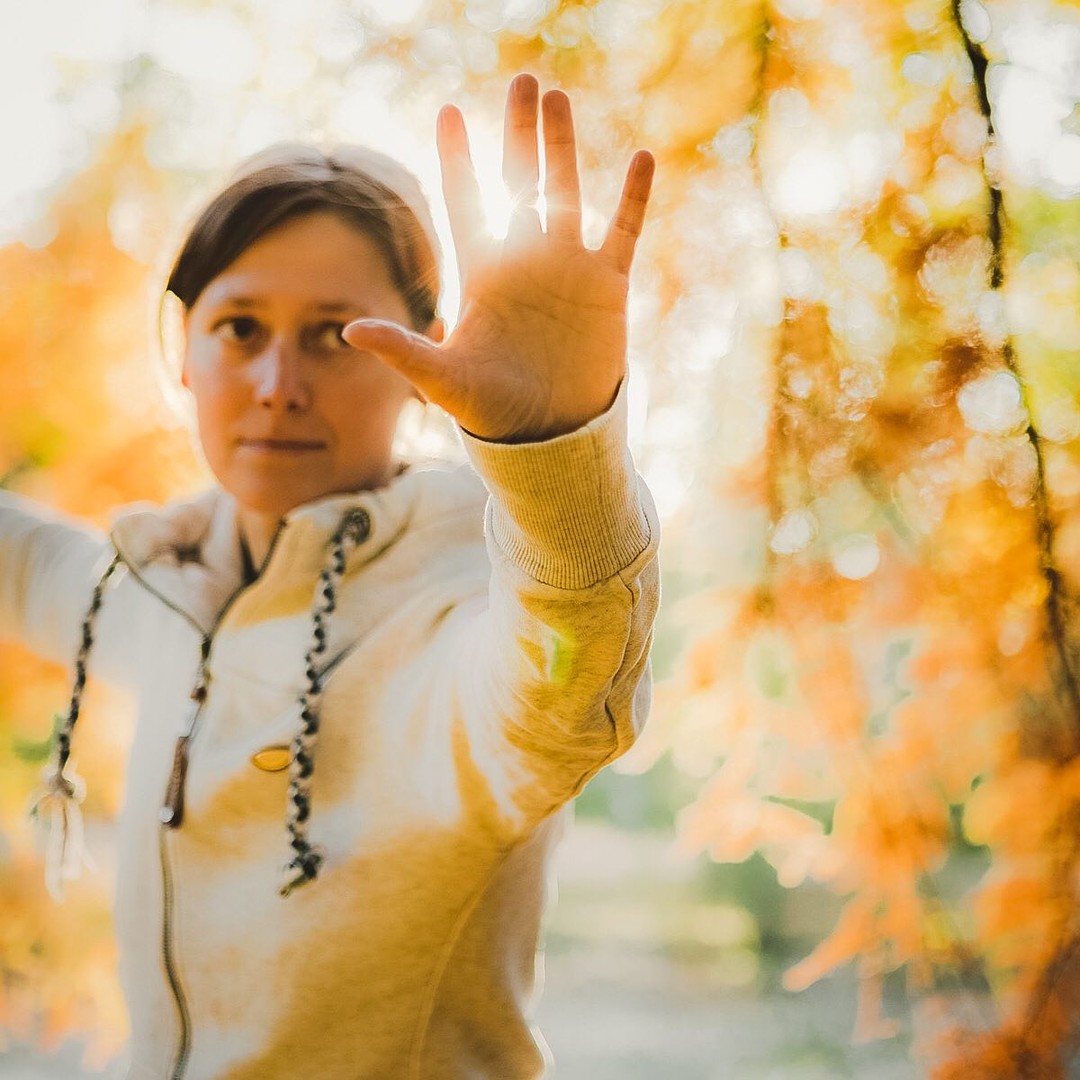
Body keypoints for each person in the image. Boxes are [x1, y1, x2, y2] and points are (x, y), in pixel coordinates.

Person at [0, 74, 659, 1079]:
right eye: (241, 328)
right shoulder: (161, 585)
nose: (278, 387)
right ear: (185, 351)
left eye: (335, 335)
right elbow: (26, 558)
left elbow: (561, 689)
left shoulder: (454, 615)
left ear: (422, 361)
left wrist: (556, 449)